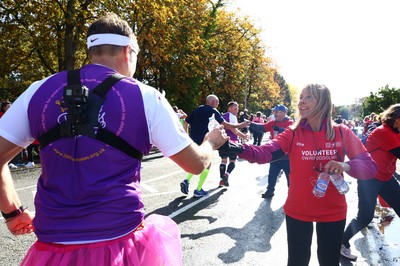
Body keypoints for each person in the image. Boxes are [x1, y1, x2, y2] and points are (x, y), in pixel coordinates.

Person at [0, 12, 229, 266]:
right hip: (119, 244)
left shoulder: (38, 90)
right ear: (128, 51)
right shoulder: (145, 96)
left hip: (52, 248)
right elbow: (195, 165)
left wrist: (12, 212)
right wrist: (210, 142)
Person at [221, 84, 377, 266]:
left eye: (309, 97)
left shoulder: (342, 132)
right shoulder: (293, 133)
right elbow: (265, 153)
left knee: (329, 261)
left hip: (333, 211)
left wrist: (345, 165)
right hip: (298, 210)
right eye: (301, 97)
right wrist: (236, 148)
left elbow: (370, 166)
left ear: (323, 102)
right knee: (297, 262)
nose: (301, 101)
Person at [341, 104, 400, 261]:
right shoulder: (384, 132)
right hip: (369, 178)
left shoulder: (396, 131)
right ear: (395, 119)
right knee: (365, 217)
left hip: (385, 176)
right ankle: (341, 241)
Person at [180, 95, 249, 197]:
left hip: (194, 141)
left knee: (197, 162)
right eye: (217, 103)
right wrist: (240, 125)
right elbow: (225, 124)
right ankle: (198, 189)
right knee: (207, 164)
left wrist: (186, 135)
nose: (217, 105)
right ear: (213, 102)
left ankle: (186, 181)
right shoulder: (213, 110)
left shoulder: (197, 109)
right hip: (206, 141)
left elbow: (186, 122)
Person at [252, 104, 294, 198]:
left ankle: (292, 194)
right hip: (275, 153)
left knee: (290, 176)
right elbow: (262, 128)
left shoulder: (290, 123)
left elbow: (292, 132)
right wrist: (250, 124)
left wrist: (280, 129)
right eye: (275, 112)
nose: (275, 114)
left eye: (277, 112)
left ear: (284, 113)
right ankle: (270, 191)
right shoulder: (272, 122)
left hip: (287, 155)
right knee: (272, 174)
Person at [218, 101, 249, 187]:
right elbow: (233, 129)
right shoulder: (232, 116)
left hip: (222, 141)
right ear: (230, 108)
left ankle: (221, 181)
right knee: (232, 160)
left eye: (237, 109)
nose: (237, 110)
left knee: (223, 161)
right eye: (235, 108)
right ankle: (226, 175)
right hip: (232, 141)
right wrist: (243, 136)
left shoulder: (222, 116)